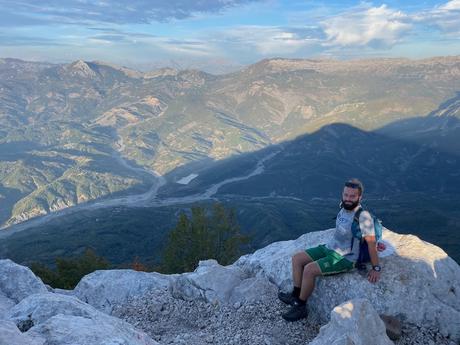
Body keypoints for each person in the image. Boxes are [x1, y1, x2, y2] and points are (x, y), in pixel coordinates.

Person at [278, 178, 383, 322]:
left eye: (352, 196)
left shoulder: (364, 217)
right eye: (346, 195)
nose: (348, 198)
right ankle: (295, 295)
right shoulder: (343, 207)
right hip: (330, 248)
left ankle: (301, 306)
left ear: (360, 197)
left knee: (309, 269)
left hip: (345, 258)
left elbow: (371, 244)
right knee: (297, 258)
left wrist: (376, 268)